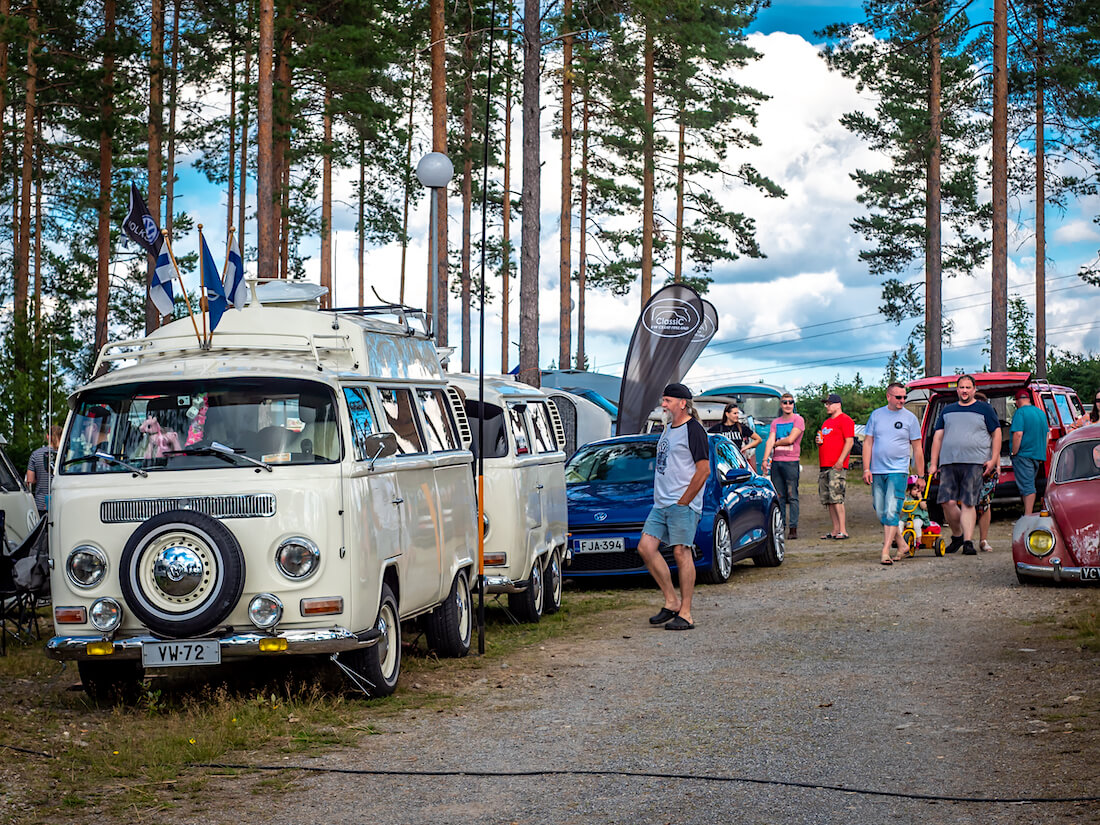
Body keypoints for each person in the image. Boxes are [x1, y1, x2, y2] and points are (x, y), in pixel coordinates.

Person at [637, 383, 710, 631]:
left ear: (682, 403)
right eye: (663, 400)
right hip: (661, 503)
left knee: (681, 552)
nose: (663, 405)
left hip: (682, 503)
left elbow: (704, 470)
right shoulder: (668, 429)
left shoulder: (694, 430)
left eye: (667, 401)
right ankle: (672, 601)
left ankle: (686, 613)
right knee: (646, 548)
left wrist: (685, 501)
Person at [928, 375, 1001, 556]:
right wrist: (934, 462)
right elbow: (938, 436)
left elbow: (997, 433)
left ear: (974, 389)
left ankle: (968, 542)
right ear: (957, 390)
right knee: (946, 501)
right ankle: (957, 535)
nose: (965, 391)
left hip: (975, 462)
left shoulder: (985, 409)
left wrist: (993, 459)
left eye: (968, 387)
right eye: (962, 387)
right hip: (948, 462)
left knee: (969, 502)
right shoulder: (947, 411)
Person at [862, 382, 925, 564]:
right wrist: (866, 468)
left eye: (904, 397)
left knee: (891, 509)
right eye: (898, 397)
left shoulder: (910, 418)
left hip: (898, 470)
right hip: (877, 469)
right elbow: (868, 442)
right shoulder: (876, 415)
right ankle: (903, 544)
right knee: (880, 509)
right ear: (888, 396)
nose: (902, 401)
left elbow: (917, 448)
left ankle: (885, 550)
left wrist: (920, 475)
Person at [762, 392, 804, 539]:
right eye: (785, 402)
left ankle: (793, 527)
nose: (788, 405)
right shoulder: (776, 422)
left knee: (792, 496)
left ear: (793, 404)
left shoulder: (798, 420)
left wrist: (775, 443)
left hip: (791, 461)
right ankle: (780, 526)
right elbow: (770, 440)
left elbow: (791, 439)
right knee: (779, 495)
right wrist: (765, 459)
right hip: (777, 461)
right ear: (781, 404)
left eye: (790, 402)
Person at [816, 393, 855, 540]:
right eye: (826, 404)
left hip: (836, 465)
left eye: (829, 403)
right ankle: (835, 529)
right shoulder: (826, 423)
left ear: (838, 404)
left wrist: (841, 460)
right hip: (824, 464)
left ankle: (843, 530)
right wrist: (819, 441)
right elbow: (826, 439)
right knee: (828, 499)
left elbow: (849, 442)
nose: (827, 406)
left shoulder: (845, 420)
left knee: (837, 497)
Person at [1010, 389, 1047, 515]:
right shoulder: (1040, 412)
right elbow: (1047, 435)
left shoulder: (1020, 413)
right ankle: (1027, 512)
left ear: (1018, 400)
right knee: (1029, 483)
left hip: (1023, 455)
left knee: (1028, 486)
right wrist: (1042, 452)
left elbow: (1018, 434)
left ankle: (1028, 515)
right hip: (1037, 455)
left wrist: (1014, 452)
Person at [25, 425, 61, 518]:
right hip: (60, 503)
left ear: (47, 436)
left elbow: (30, 480)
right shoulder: (64, 455)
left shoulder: (36, 454)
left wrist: (40, 477)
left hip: (41, 504)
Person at [899, 477, 930, 543]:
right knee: (899, 523)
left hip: (918, 517)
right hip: (907, 518)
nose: (917, 491)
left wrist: (920, 498)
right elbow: (902, 507)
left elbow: (924, 507)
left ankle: (919, 541)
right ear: (909, 490)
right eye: (914, 489)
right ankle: (899, 539)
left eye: (918, 490)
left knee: (916, 524)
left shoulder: (920, 499)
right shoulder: (907, 499)